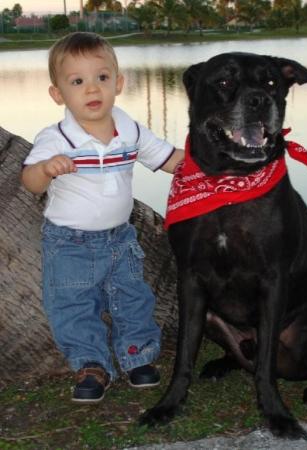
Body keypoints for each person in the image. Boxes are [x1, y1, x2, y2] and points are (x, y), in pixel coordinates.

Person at [21, 31, 183, 404]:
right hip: (69, 242)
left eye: (102, 78)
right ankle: (91, 363)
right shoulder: (56, 137)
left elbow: (169, 159)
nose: (92, 89)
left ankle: (136, 356)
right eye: (77, 82)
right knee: (73, 304)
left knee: (132, 297)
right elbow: (29, 182)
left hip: (121, 238)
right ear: (58, 94)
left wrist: (208, 162)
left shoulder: (130, 129)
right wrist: (46, 168)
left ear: (119, 83)